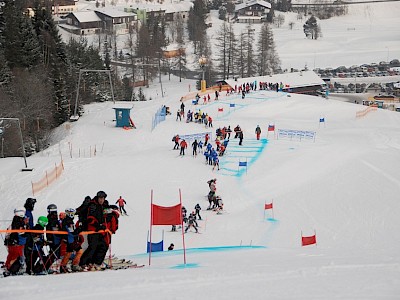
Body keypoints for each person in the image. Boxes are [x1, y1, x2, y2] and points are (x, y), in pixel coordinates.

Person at [79, 191, 108, 271]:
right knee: (92, 247)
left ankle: (96, 263)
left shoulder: (101, 206)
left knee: (103, 246)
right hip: (92, 230)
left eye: (103, 198)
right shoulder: (93, 205)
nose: (102, 200)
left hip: (99, 231)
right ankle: (83, 263)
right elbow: (90, 218)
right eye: (100, 198)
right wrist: (98, 226)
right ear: (97, 198)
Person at [4, 207, 29, 276]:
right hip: (15, 243)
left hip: (11, 242)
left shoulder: (16, 220)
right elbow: (20, 231)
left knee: (11, 255)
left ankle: (7, 267)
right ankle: (10, 269)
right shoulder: (18, 221)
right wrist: (25, 226)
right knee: (16, 256)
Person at [60, 208, 84, 273]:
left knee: (69, 252)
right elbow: (72, 232)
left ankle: (63, 266)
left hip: (70, 239)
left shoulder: (68, 220)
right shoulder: (68, 221)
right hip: (70, 240)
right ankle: (74, 265)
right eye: (72, 214)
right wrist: (79, 229)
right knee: (79, 251)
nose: (73, 215)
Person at [46, 204, 61, 270]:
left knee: (55, 253)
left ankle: (52, 266)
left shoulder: (53, 219)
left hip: (56, 238)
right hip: (54, 239)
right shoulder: (51, 219)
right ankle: (49, 266)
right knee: (54, 253)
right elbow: (50, 229)